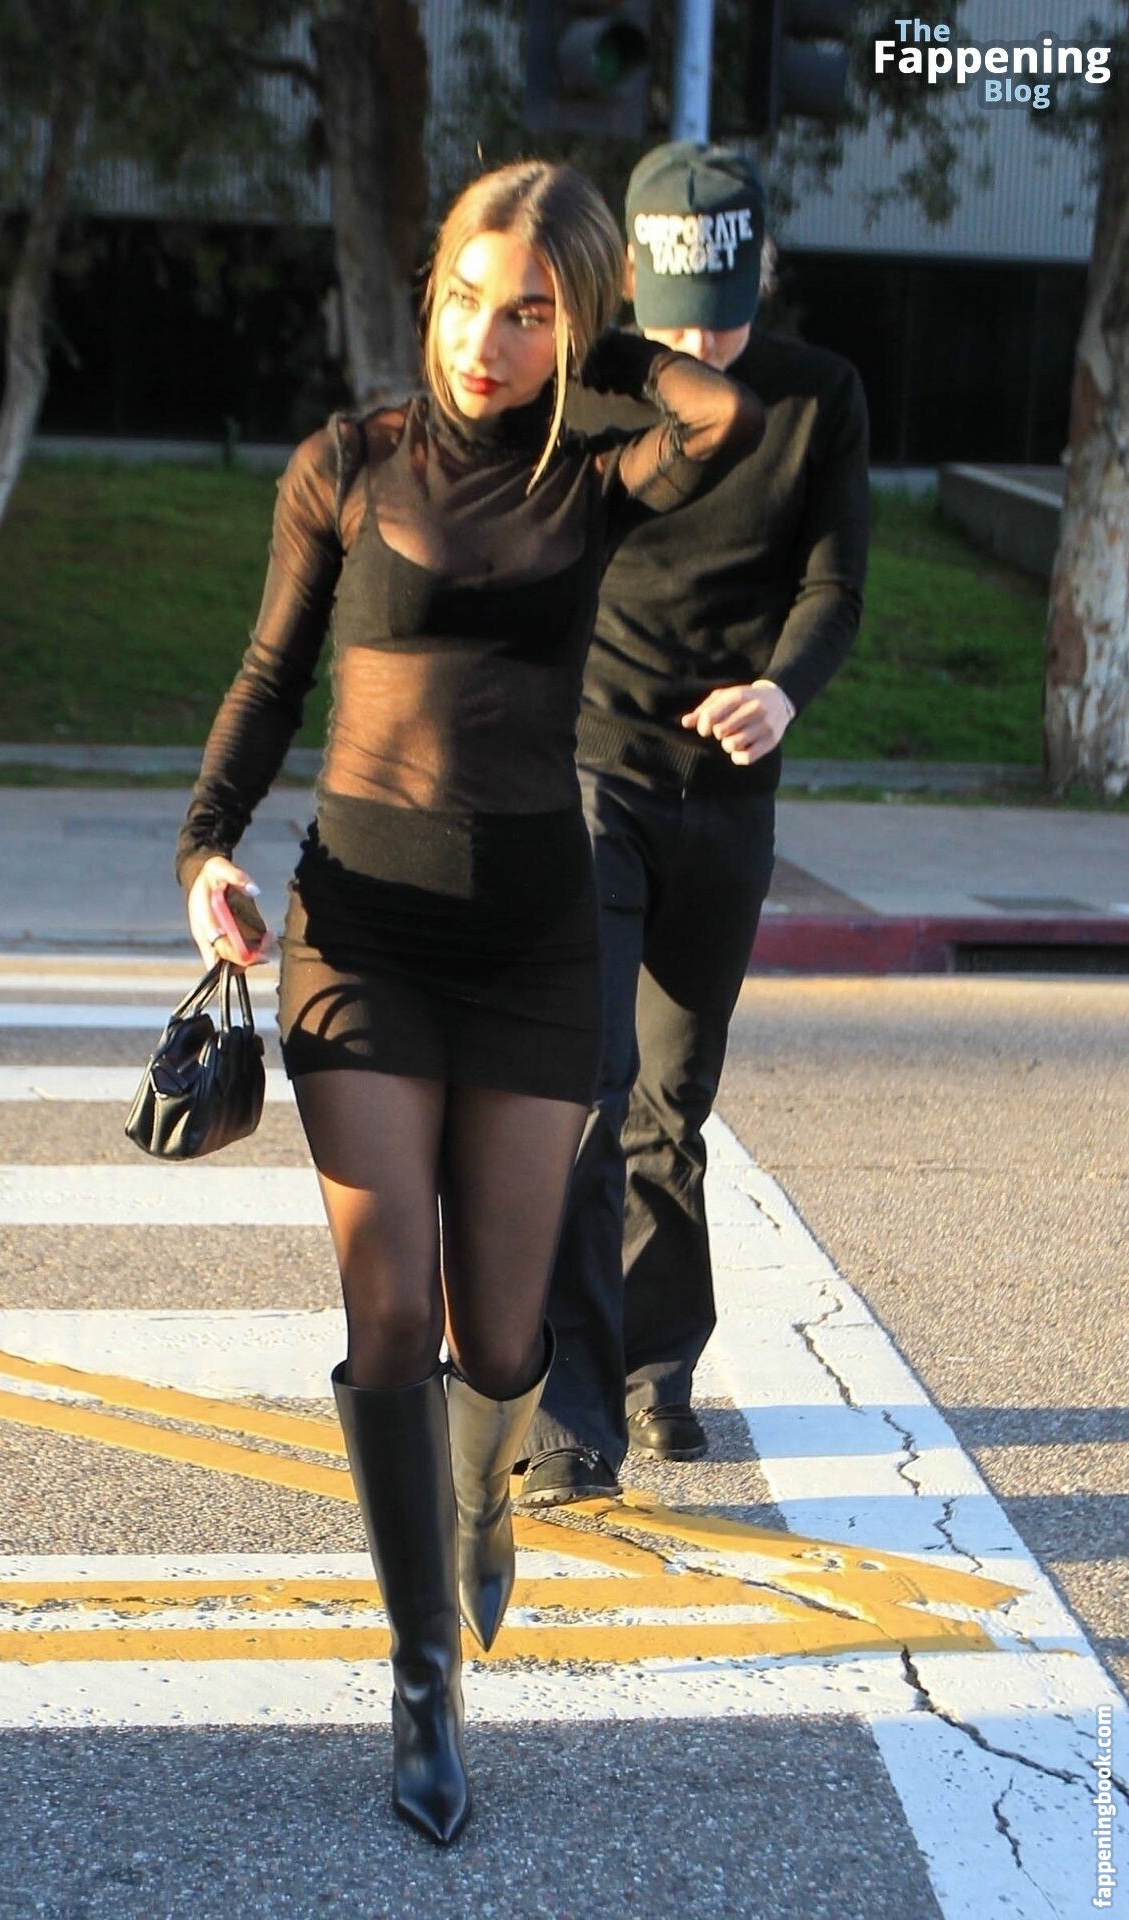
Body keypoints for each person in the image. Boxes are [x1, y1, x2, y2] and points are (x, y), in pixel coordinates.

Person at [174, 159, 764, 1846]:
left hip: (530, 944)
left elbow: (722, 416)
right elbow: (272, 674)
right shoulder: (347, 464)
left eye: (528, 315)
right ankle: (423, 1671)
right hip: (358, 931)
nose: (485, 342)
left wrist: (611, 342)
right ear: (427, 293)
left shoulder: (595, 479)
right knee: (392, 1311)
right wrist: (206, 845)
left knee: (501, 1339)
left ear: (572, 329)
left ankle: (483, 1494)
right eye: (466, 301)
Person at [519, 143, 870, 1509]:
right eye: (681, 316)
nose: (704, 341)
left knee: (673, 1098)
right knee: (587, 1090)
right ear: (631, 281)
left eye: (725, 313)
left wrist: (783, 691)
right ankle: (568, 1415)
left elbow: (835, 583)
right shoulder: (587, 386)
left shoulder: (818, 396)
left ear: (760, 272)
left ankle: (659, 1365)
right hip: (593, 771)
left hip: (727, 796)